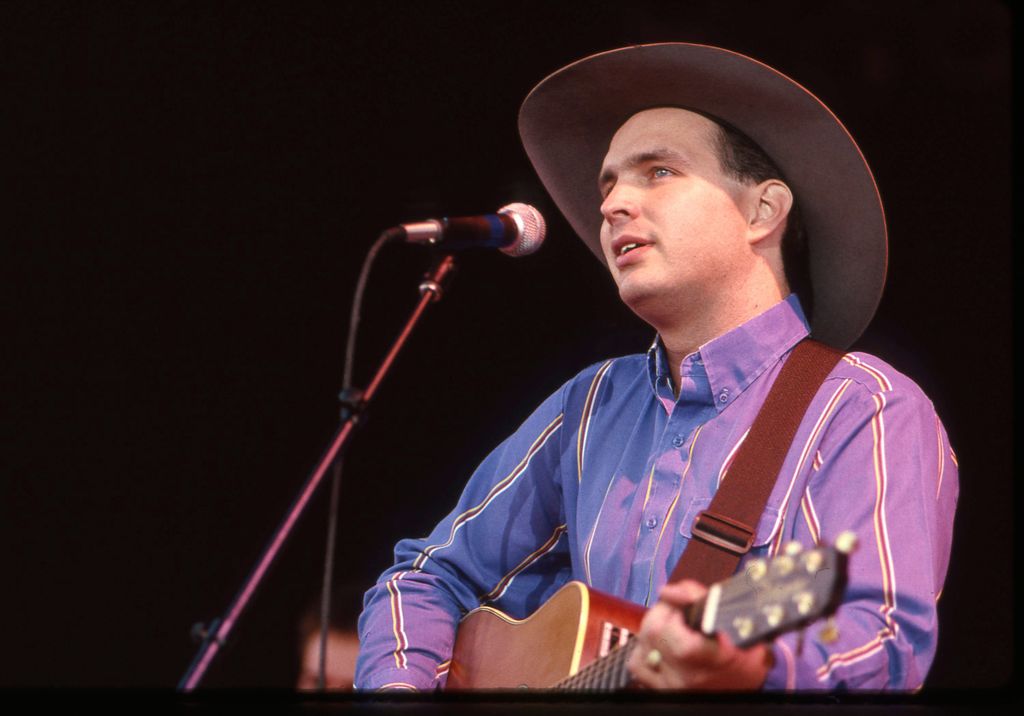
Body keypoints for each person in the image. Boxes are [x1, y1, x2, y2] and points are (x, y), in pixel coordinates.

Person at [353, 43, 958, 692]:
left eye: (658, 172)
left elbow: (883, 638)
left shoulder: (864, 408)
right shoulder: (588, 409)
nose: (612, 204)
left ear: (763, 211)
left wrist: (755, 669)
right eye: (607, 184)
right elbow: (426, 578)